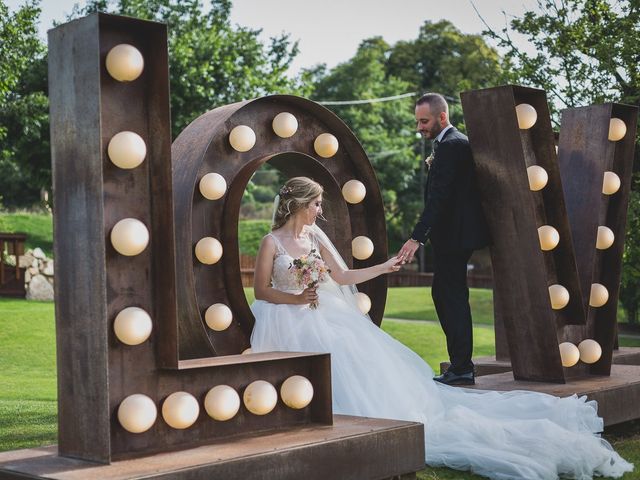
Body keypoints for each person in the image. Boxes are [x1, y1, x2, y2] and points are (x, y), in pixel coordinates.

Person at [250, 176, 632, 480]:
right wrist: (296, 299)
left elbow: (344, 274)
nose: (320, 210)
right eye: (316, 203)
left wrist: (384, 266)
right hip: (285, 316)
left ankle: (368, 422)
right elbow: (262, 289)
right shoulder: (272, 242)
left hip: (325, 312)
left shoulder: (315, 236)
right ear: (300, 204)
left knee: (355, 358)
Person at [397, 93, 490, 386]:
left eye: (423, 121)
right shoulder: (449, 145)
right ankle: (460, 364)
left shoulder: (451, 146)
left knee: (451, 296)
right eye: (417, 121)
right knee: (445, 294)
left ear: (441, 117)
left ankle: (462, 367)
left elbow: (439, 199)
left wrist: (416, 238)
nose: (419, 127)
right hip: (452, 236)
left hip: (455, 236)